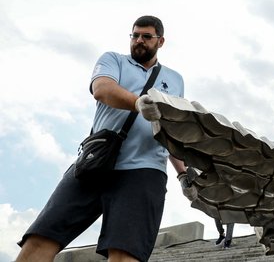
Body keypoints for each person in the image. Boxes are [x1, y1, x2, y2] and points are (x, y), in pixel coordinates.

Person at [17, 15, 193, 262]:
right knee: (39, 240)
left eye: (146, 36)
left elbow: (172, 130)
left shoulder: (175, 80)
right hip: (96, 162)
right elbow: (102, 89)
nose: (139, 41)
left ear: (160, 41)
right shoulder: (113, 60)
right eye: (135, 35)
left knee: (124, 255)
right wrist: (137, 102)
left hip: (144, 171)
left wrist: (183, 174)